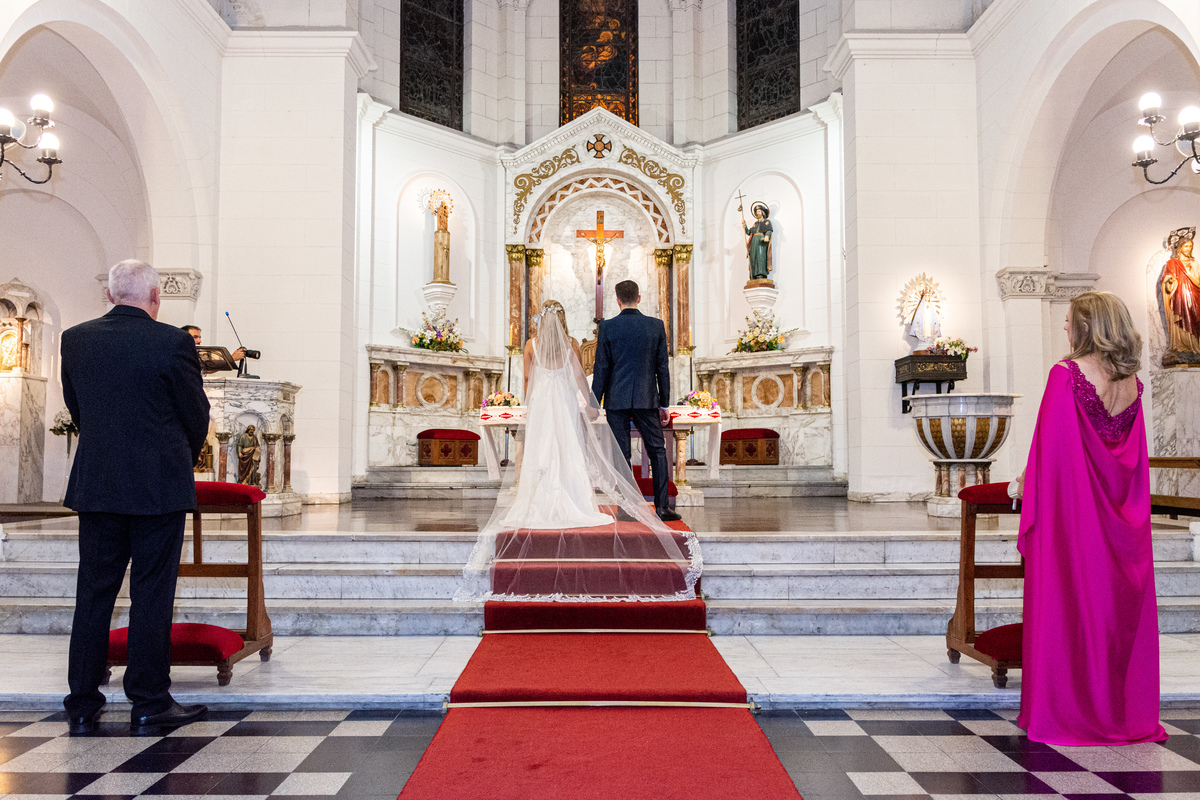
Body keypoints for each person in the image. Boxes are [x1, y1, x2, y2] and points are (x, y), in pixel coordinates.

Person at [455, 299, 700, 601]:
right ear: (563, 319)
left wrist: (531, 405)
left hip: (543, 403)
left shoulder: (531, 345)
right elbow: (579, 378)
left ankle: (539, 501)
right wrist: (592, 405)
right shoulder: (570, 343)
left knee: (542, 452)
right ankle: (574, 501)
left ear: (541, 320)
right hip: (564, 402)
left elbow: (529, 379)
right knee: (568, 449)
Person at [61, 260, 211, 735]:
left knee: (93, 593)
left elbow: (77, 407)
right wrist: (175, 456)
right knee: (151, 594)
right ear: (155, 297)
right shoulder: (172, 342)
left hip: (98, 485)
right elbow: (196, 415)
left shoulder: (75, 339)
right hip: (157, 488)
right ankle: (149, 702)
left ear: (109, 295)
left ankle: (82, 703)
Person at [1016, 291, 1166, 746]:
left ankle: (1072, 713)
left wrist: (1023, 484)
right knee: (1110, 612)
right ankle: (1118, 713)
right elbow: (1128, 457)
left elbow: (1053, 454)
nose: (1064, 326)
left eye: (1069, 320)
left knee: (1072, 607)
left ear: (1087, 326)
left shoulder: (1066, 374)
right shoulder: (1131, 382)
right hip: (1121, 518)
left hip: (1077, 518)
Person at [591, 280, 679, 522]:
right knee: (658, 451)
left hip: (616, 400)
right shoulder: (655, 325)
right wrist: (664, 404)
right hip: (646, 398)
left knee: (621, 455)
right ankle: (662, 507)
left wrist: (594, 403)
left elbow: (601, 368)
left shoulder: (607, 327)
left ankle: (626, 508)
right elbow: (662, 368)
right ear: (639, 298)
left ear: (617, 300)